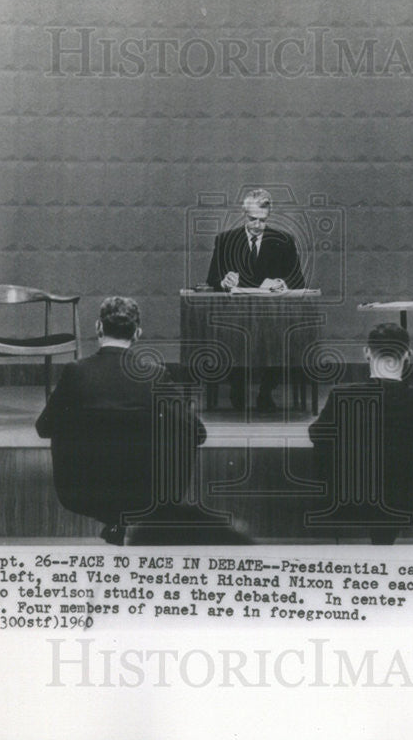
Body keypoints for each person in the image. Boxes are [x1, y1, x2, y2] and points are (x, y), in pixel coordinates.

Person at [36, 296, 249, 545]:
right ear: (137, 333)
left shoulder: (75, 372)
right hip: (148, 492)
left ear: (98, 328)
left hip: (82, 491)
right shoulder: (154, 375)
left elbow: (44, 427)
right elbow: (197, 432)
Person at [308, 323, 413, 544]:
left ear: (367, 353)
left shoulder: (341, 397)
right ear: (408, 355)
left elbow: (317, 435)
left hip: (351, 503)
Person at [205, 188, 307, 411]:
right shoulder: (225, 240)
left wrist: (283, 282)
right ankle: (237, 388)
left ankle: (266, 391)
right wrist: (224, 281)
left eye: (263, 220)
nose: (257, 225)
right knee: (232, 337)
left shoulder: (283, 240)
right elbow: (212, 277)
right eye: (252, 219)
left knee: (281, 338)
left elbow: (298, 279)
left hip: (273, 315)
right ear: (244, 214)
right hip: (235, 315)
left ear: (268, 215)